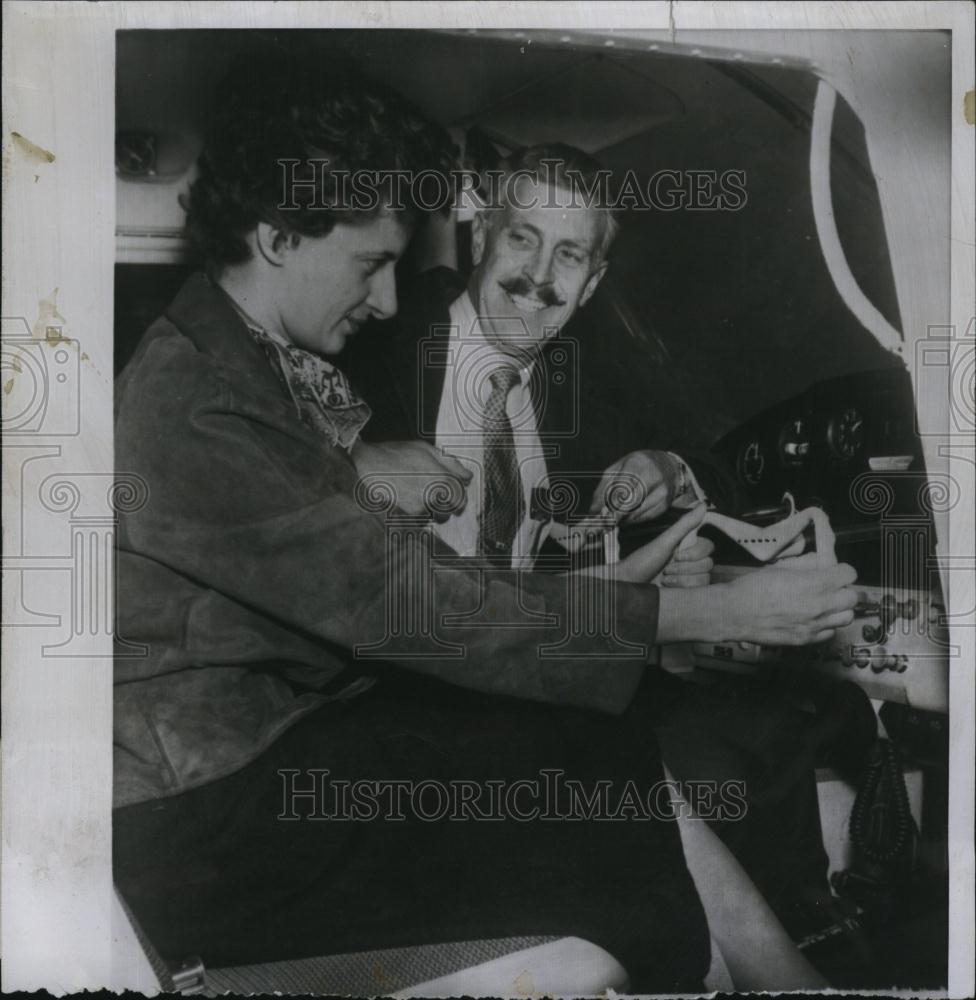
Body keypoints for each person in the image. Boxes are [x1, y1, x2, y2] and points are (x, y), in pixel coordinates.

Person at [113, 52, 851, 992]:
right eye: (373, 262)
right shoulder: (193, 407)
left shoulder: (250, 371)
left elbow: (404, 582)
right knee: (593, 796)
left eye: (571, 258)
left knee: (604, 750)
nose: (384, 299)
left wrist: (628, 583)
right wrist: (709, 617)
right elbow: (407, 602)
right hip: (208, 815)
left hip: (278, 753)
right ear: (277, 236)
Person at [340, 143, 846, 933]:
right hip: (414, 690)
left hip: (560, 671)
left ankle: (816, 942)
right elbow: (273, 464)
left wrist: (668, 472)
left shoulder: (591, 368)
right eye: (522, 238)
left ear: (593, 281)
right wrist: (359, 464)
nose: (539, 276)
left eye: (569, 253)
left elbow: (721, 466)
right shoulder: (373, 339)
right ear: (481, 239)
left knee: (771, 732)